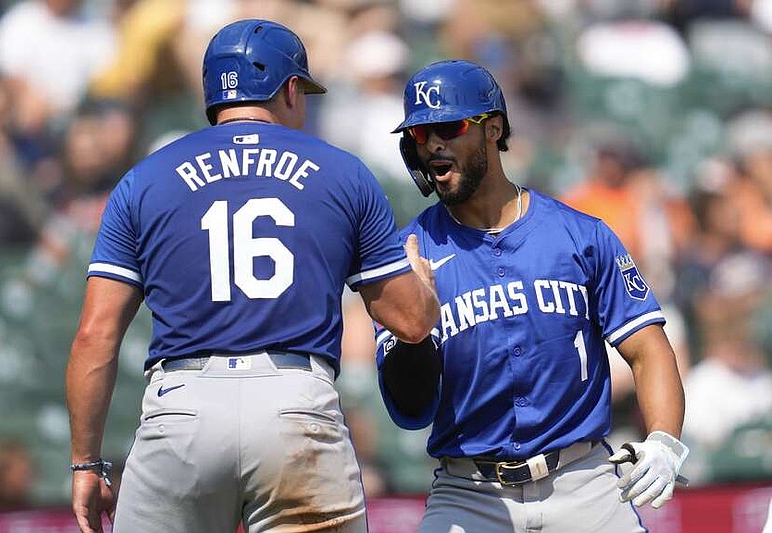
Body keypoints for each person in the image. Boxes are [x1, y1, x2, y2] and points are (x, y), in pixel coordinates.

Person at [65, 19, 439, 533]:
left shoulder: (144, 179)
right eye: (302, 92)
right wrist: (424, 287)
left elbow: (94, 335)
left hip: (181, 410)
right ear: (288, 89)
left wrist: (86, 462)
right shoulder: (343, 172)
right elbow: (411, 322)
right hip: (295, 408)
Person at [374, 59, 689, 532]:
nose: (434, 143)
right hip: (469, 493)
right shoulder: (407, 256)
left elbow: (648, 350)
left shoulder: (580, 234)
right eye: (420, 134)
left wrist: (664, 440)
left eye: (450, 126)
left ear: (493, 128)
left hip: (585, 481)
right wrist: (414, 324)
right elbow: (410, 408)